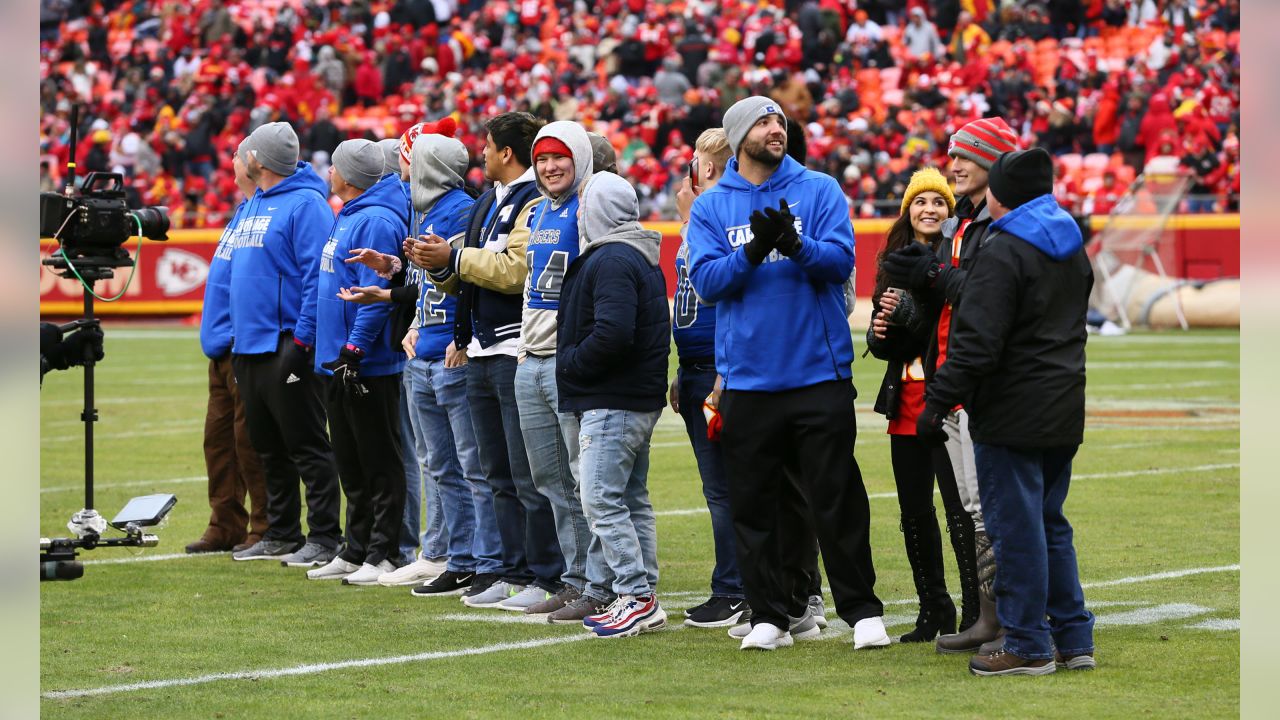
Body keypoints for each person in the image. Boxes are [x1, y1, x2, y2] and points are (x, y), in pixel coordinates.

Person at [686, 96, 886, 651]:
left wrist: (795, 243)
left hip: (817, 373)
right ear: (738, 135)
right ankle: (770, 615)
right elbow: (708, 283)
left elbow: (841, 262)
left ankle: (862, 611)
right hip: (746, 381)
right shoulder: (711, 206)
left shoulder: (819, 189)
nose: (776, 129)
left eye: (779, 120)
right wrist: (752, 253)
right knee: (754, 506)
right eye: (763, 122)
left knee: (837, 497)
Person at [918, 148, 1096, 676]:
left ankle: (1027, 643)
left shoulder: (1003, 248)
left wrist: (936, 401)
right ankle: (1072, 637)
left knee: (1015, 527)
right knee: (1049, 522)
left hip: (1012, 407)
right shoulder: (1070, 243)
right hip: (1062, 402)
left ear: (1001, 192)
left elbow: (977, 343)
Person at [411, 112, 566, 609]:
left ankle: (544, 574)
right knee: (495, 471)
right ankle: (507, 568)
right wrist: (438, 267)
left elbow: (516, 270)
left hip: (514, 347)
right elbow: (472, 275)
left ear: (505, 153)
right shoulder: (486, 203)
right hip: (479, 348)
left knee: (527, 474)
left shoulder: (531, 201)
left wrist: (454, 260)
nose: (480, 152)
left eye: (487, 144)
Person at [881, 116, 1019, 654]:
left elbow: (977, 306)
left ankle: (998, 614)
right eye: (922, 201)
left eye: (965, 154)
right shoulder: (945, 237)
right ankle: (954, 610)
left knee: (984, 509)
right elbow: (899, 342)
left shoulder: (983, 234)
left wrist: (931, 288)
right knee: (939, 508)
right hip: (926, 392)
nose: (932, 208)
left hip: (965, 389)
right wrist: (886, 326)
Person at [557, 171, 670, 638]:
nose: (579, 210)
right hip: (632, 396)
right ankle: (644, 594)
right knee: (630, 499)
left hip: (613, 397)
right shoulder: (635, 255)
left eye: (585, 202)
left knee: (600, 497)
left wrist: (570, 364)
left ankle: (636, 596)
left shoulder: (613, 259)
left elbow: (613, 332)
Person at [228, 122, 343, 567]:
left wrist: (303, 339)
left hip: (285, 341)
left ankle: (325, 535)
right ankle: (281, 531)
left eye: (247, 152)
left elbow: (319, 275)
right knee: (267, 445)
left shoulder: (306, 205)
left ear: (260, 159)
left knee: (306, 443)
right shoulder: (254, 202)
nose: (242, 158)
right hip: (250, 344)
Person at [866, 167, 970, 643]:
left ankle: (975, 610)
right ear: (908, 210)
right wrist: (880, 334)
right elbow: (889, 344)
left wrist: (916, 316)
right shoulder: (891, 260)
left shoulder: (960, 256)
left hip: (949, 400)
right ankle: (934, 609)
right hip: (906, 400)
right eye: (921, 201)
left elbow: (958, 330)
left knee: (960, 510)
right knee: (913, 511)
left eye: (939, 202)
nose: (930, 209)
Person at [300, 139, 409, 585]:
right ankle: (356, 546)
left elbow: (375, 297)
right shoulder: (349, 214)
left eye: (335, 167)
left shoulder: (376, 220)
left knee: (377, 460)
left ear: (350, 175)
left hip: (366, 363)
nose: (329, 172)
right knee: (350, 459)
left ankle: (383, 552)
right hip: (337, 359)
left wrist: (355, 349)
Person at [508, 121, 600, 615]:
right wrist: (525, 348)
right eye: (541, 159)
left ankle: (597, 583)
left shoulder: (589, 209)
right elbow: (528, 286)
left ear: (578, 157)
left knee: (583, 477)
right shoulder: (538, 209)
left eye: (558, 157)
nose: (549, 166)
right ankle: (574, 576)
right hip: (533, 358)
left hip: (567, 361)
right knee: (550, 480)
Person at [668, 128, 750, 629]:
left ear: (708, 168)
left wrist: (720, 371)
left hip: (724, 371)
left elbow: (720, 293)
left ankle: (736, 588)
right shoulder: (702, 216)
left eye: (694, 163)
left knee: (726, 489)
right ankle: (735, 584)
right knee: (718, 488)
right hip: (699, 368)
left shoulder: (714, 216)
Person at [186, 140, 269, 555]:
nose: (232, 162)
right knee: (218, 443)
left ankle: (263, 526)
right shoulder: (243, 211)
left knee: (249, 442)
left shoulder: (269, 211)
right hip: (220, 349)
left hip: (244, 345)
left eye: (237, 155)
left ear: (254, 162)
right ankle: (225, 523)